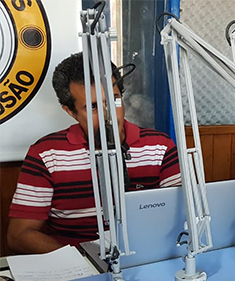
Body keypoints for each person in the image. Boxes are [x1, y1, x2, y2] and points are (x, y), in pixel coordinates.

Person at [7, 52, 181, 254]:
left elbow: (182, 214)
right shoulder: (46, 154)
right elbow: (19, 235)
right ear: (70, 112)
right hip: (77, 268)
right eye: (93, 107)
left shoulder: (160, 146)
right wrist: (85, 260)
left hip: (147, 257)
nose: (110, 115)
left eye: (114, 99)